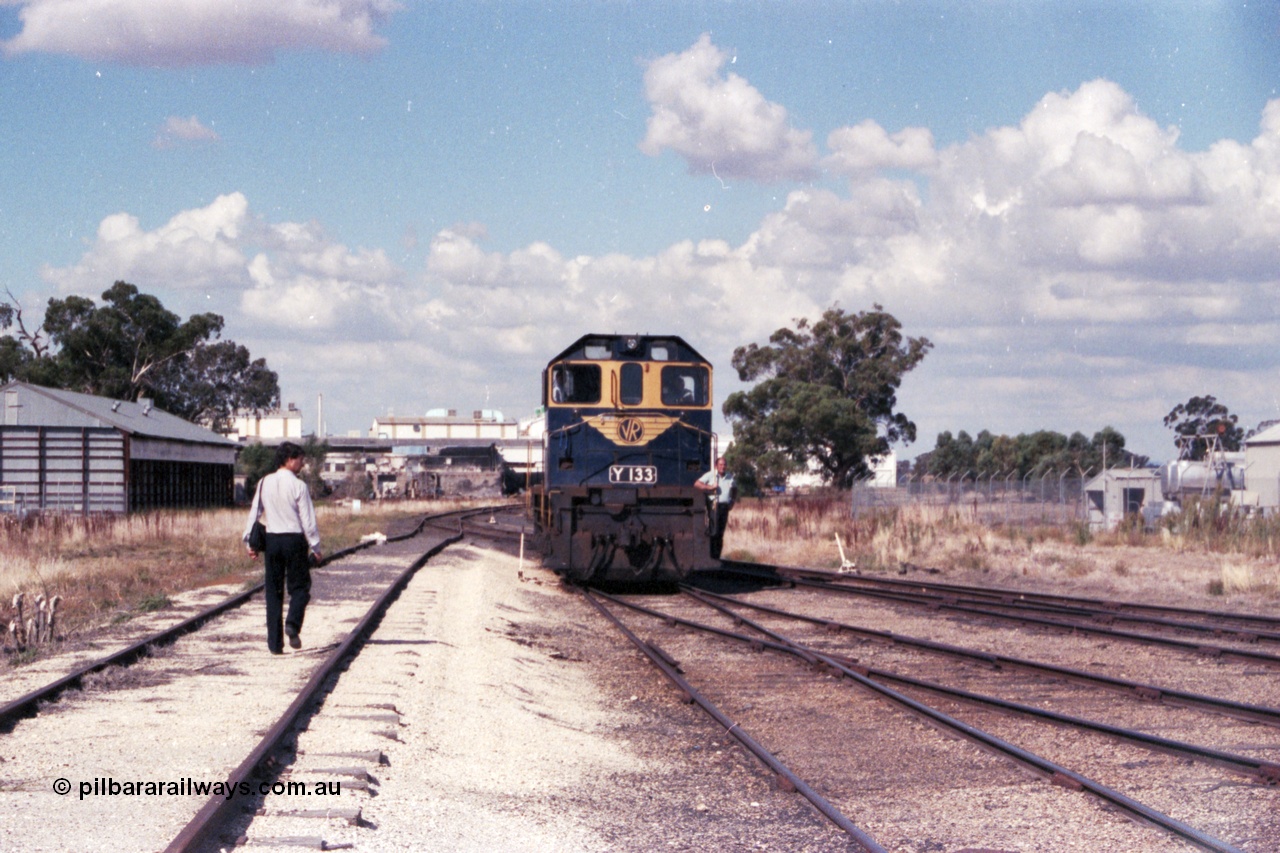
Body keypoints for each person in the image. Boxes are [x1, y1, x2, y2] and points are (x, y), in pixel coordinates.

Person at [243, 442, 322, 654]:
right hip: (294, 541)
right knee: (300, 588)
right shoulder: (298, 486)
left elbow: (255, 513)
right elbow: (308, 520)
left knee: (273, 592)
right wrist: (315, 547)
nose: (302, 463)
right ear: (289, 459)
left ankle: (275, 645)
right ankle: (293, 624)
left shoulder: (263, 483)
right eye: (300, 459)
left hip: (272, 541)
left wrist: (249, 541)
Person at [694, 456, 736, 559]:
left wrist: (732, 501)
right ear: (716, 466)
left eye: (724, 465)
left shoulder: (730, 477)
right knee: (714, 531)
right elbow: (697, 484)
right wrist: (710, 487)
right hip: (714, 505)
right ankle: (710, 556)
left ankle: (716, 556)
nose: (723, 467)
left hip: (725, 507)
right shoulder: (710, 475)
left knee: (721, 533)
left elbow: (735, 489)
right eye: (720, 465)